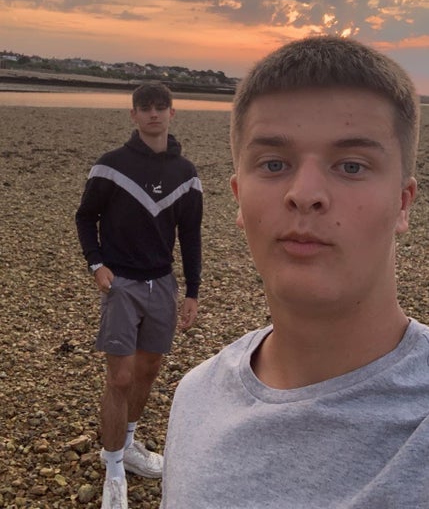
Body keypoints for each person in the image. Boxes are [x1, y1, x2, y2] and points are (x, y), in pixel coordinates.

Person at [161, 35, 429, 509]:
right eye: (274, 164)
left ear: (403, 203)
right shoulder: (196, 397)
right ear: (239, 197)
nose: (304, 194)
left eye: (351, 166)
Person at [76, 83, 202, 509]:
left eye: (160, 107)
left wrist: (193, 290)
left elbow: (190, 235)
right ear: (133, 115)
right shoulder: (110, 166)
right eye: (144, 108)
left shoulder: (186, 174)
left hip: (162, 283)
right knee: (120, 378)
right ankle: (113, 468)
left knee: (148, 370)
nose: (153, 114)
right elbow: (85, 217)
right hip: (122, 284)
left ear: (172, 113)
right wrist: (96, 264)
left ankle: (127, 445)